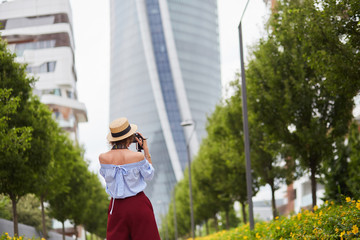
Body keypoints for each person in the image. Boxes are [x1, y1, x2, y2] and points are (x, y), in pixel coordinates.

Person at [99, 117, 160, 240]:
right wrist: (145, 151)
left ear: (112, 140)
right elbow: (149, 175)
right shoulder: (137, 157)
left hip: (117, 208)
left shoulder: (103, 158)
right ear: (130, 138)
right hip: (139, 205)